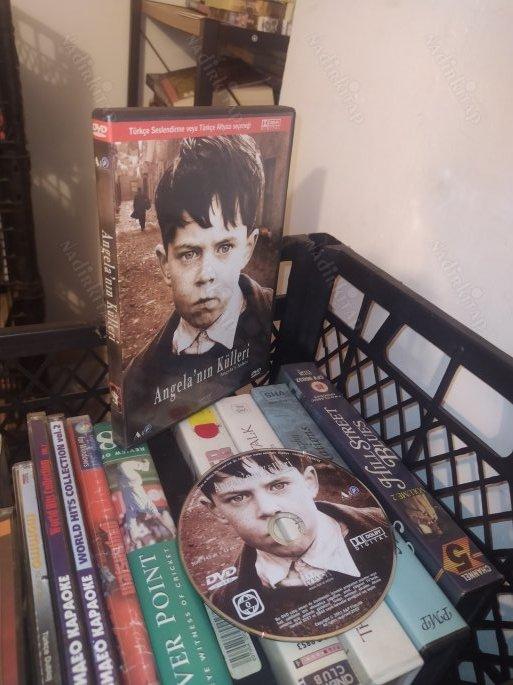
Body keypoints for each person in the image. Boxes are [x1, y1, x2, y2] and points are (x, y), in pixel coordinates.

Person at [123, 136, 273, 437]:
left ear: (248, 248)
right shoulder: (137, 381)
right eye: (189, 254)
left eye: (224, 247)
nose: (207, 275)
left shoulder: (273, 319)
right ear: (165, 264)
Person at [199, 452, 391, 630]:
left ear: (309, 483)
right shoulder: (222, 605)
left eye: (279, 485)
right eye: (238, 497)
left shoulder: (388, 524)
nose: (268, 508)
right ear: (217, 511)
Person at [116, 458, 176, 549]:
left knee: (119, 469)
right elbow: (159, 518)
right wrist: (170, 531)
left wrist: (133, 539)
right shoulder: (148, 507)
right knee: (123, 466)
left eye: (142, 519)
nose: (143, 519)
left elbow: (132, 525)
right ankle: (144, 466)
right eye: (145, 518)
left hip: (123, 484)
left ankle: (141, 466)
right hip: (134, 481)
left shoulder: (132, 512)